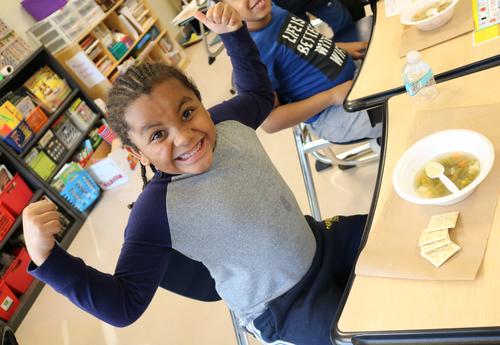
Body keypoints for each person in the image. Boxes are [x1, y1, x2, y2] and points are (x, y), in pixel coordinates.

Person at [22, 3, 365, 345]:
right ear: (137, 154)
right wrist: (47, 258)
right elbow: (122, 305)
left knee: (393, 235)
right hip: (283, 306)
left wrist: (235, 36)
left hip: (320, 241)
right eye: (157, 135)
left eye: (188, 112)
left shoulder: (225, 121)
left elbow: (259, 95)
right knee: (371, 329)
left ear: (201, 103)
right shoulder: (156, 210)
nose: (184, 137)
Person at [222, 0, 380, 144]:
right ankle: (383, 142)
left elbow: (303, 45)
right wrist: (331, 96)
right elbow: (270, 122)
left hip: (353, 78)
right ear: (227, 9)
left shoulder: (272, 9)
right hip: (331, 113)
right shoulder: (253, 53)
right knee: (397, 108)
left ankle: (380, 139)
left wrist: (341, 47)